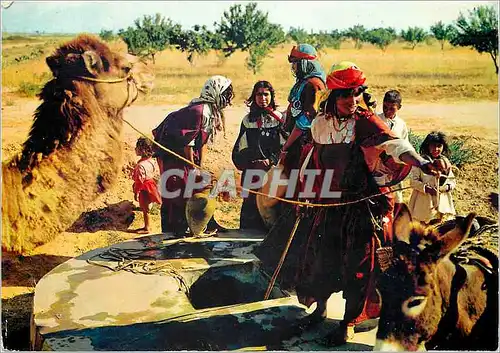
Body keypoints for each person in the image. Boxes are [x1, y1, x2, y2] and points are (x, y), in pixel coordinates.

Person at [255, 61, 443, 345]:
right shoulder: (320, 124)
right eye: (345, 94)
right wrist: (307, 195)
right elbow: (314, 163)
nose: (352, 100)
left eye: (357, 93)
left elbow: (395, 146)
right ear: (333, 96)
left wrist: (421, 162)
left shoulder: (365, 121)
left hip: (360, 207)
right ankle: (319, 310)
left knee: (359, 266)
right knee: (321, 260)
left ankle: (347, 323)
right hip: (328, 205)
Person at [152, 75, 234, 236]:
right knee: (177, 193)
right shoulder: (198, 111)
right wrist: (191, 167)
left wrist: (199, 167)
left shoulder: (211, 112)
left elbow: (201, 142)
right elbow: (186, 143)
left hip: (189, 157)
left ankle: (206, 223)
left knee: (202, 185)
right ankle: (173, 233)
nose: (227, 100)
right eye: (226, 94)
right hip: (176, 158)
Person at [232, 81, 286, 231]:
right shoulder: (248, 121)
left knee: (272, 206)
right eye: (259, 94)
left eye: (266, 94)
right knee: (251, 207)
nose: (263, 98)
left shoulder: (279, 118)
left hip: (273, 172)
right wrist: (251, 162)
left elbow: (285, 146)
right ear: (254, 97)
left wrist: (271, 160)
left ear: (271, 96)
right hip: (253, 172)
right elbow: (240, 148)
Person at [279, 44, 326, 172]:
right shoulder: (305, 82)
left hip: (302, 144)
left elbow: (303, 123)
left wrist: (286, 147)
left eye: (295, 63)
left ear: (304, 64)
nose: (293, 67)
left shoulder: (312, 85)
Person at [408, 131, 456, 224]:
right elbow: (413, 182)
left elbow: (452, 182)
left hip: (442, 201)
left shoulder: (445, 162)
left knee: (439, 225)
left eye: (439, 146)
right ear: (428, 146)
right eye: (433, 146)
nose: (436, 149)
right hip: (423, 202)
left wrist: (443, 188)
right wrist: (428, 189)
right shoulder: (420, 162)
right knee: (422, 225)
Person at [377, 89, 409, 215]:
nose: (387, 111)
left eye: (392, 108)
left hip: (395, 167)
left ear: (399, 107)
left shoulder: (401, 124)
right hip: (377, 166)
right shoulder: (376, 120)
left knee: (397, 198)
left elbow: (405, 145)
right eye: (385, 107)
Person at [131, 137, 162, 234]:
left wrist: (136, 192)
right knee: (147, 206)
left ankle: (147, 227)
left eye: (137, 147)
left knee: (145, 208)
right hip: (151, 185)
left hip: (144, 188)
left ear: (142, 150)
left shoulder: (141, 165)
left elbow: (139, 180)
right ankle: (147, 225)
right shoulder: (151, 161)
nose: (135, 149)